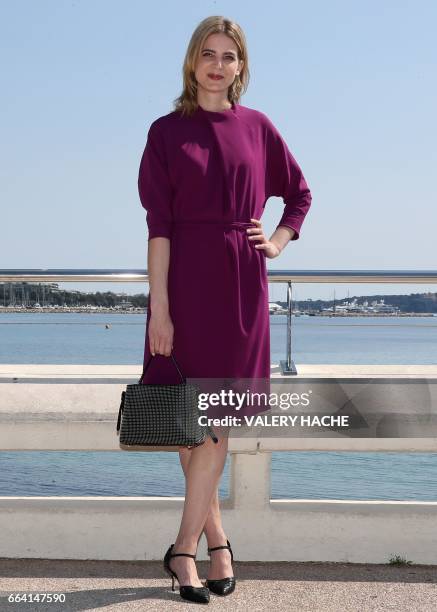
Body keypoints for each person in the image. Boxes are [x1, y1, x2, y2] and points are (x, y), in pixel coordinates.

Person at [137, 15, 312, 604]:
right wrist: (159, 309)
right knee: (192, 430)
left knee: (213, 424)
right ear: (192, 61)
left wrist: (279, 240)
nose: (218, 64)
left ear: (241, 67)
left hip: (241, 285)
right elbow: (158, 229)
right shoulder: (165, 132)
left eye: (229, 56)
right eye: (208, 54)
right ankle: (215, 542)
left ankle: (182, 550)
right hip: (183, 286)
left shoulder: (258, 128)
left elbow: (300, 193)